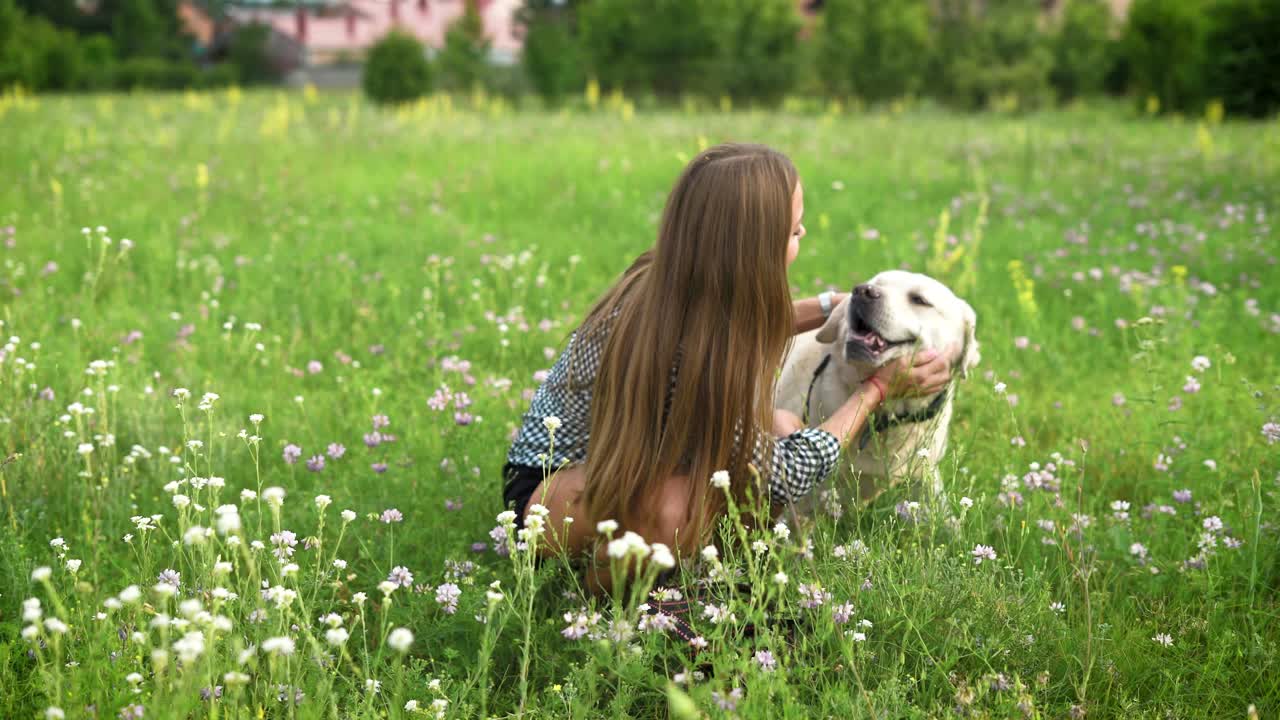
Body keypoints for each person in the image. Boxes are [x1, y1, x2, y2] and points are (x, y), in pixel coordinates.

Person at [502, 143, 953, 592]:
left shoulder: (674, 280)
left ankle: (700, 569)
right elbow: (786, 475)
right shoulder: (694, 355)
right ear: (757, 248)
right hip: (546, 496)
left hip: (600, 475)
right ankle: (606, 598)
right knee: (684, 507)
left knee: (780, 425)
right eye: (794, 230)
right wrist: (875, 390)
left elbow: (743, 324)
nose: (804, 232)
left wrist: (832, 307)